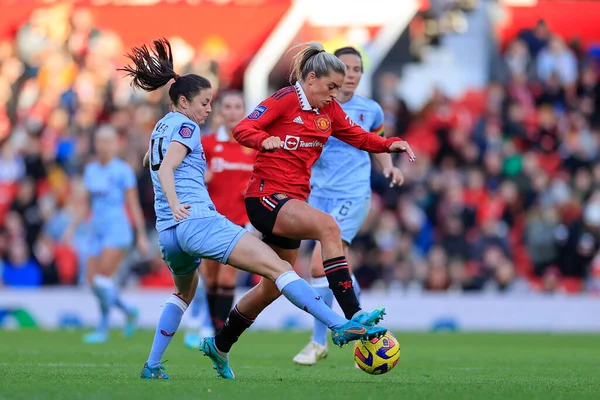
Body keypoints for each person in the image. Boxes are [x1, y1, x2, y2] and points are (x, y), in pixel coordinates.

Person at [124, 38, 388, 380]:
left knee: (189, 293)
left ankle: (161, 363)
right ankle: (343, 324)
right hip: (197, 220)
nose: (209, 111)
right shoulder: (188, 126)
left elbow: (152, 160)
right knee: (281, 269)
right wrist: (177, 203)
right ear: (184, 101)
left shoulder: (160, 129)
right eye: (205, 103)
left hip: (168, 232)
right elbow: (166, 167)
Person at [203, 41, 415, 379]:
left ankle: (221, 343)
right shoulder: (286, 98)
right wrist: (263, 140)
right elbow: (243, 128)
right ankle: (353, 313)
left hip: (292, 202)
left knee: (272, 286)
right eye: (330, 87)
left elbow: (359, 137)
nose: (334, 94)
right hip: (265, 197)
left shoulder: (328, 111)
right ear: (311, 79)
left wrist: (391, 144)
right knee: (329, 227)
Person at [293, 46, 404, 365]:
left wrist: (388, 167)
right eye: (348, 68)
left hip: (352, 195)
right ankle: (358, 318)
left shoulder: (371, 110)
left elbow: (376, 141)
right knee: (334, 269)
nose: (353, 75)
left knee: (318, 264)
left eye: (358, 69)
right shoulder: (315, 108)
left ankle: (319, 340)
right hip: (317, 195)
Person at [64, 125, 150, 344]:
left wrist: (140, 234)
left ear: (115, 144)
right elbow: (87, 204)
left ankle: (103, 326)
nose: (104, 145)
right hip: (96, 230)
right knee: (93, 281)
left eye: (108, 141)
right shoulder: (91, 170)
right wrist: (72, 226)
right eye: (100, 141)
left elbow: (133, 204)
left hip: (117, 230)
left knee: (103, 279)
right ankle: (128, 311)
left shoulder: (123, 171)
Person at [184, 90, 255, 349]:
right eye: (228, 106)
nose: (233, 111)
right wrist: (202, 178)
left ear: (244, 110)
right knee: (210, 279)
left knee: (227, 278)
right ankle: (211, 329)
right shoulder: (209, 144)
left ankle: (217, 333)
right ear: (221, 112)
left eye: (238, 106)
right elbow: (189, 171)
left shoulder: (253, 145)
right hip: (209, 220)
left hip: (238, 223)